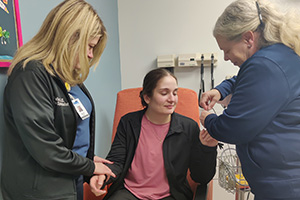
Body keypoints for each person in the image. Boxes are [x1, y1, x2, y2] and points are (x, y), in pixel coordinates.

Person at [1, 0, 115, 200]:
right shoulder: (30, 74)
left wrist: (90, 169)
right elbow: (47, 149)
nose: (90, 55)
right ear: (69, 37)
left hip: (71, 185)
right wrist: (89, 166)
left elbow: (73, 137)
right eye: (89, 46)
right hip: (41, 192)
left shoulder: (69, 79)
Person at [199, 0, 300, 199]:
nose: (226, 58)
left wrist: (207, 119)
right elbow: (242, 80)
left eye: (227, 50)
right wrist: (220, 90)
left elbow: (233, 129)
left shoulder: (265, 65)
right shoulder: (278, 57)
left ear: (248, 38)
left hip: (284, 186)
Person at [89, 68, 218, 200]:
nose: (172, 99)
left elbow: (201, 177)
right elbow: (117, 161)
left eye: (175, 93)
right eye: (164, 93)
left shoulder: (188, 127)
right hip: (130, 192)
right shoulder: (128, 123)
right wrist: (103, 175)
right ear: (147, 97)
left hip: (171, 195)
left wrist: (207, 148)